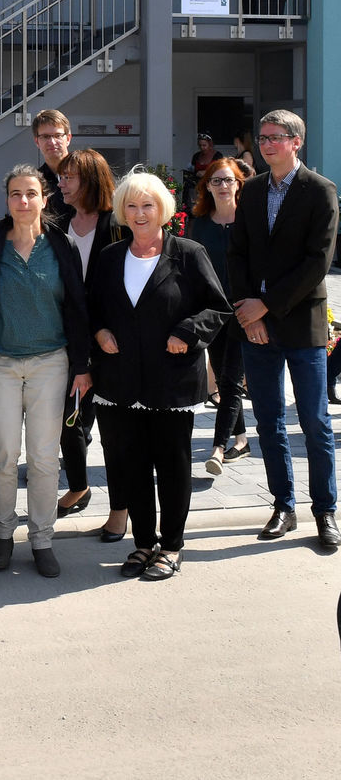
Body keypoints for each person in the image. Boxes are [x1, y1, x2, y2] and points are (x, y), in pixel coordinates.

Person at [89, 170, 230, 581]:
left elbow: (218, 309)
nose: (139, 213)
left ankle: (171, 546)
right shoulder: (110, 257)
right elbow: (92, 307)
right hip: (120, 382)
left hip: (171, 381)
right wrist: (99, 332)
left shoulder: (188, 253)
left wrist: (188, 332)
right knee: (130, 464)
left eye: (147, 205)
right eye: (131, 206)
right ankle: (142, 544)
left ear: (163, 209)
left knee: (171, 464)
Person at [0, 165, 91, 578]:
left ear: (44, 199)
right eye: (15, 193)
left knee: (42, 457)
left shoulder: (60, 245)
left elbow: (77, 306)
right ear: (7, 200)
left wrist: (81, 365)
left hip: (50, 363)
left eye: (31, 194)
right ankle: (3, 533)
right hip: (0, 362)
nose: (23, 201)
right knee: (2, 454)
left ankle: (41, 538)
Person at [228, 110, 340, 549]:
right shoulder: (251, 190)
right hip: (255, 325)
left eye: (276, 137)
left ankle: (325, 511)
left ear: (297, 142)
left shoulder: (321, 191)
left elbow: (318, 263)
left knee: (314, 421)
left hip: (301, 323)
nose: (266, 143)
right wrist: (247, 314)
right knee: (268, 421)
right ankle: (283, 506)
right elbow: (236, 254)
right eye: (262, 137)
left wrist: (266, 307)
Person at [53, 149, 126, 537]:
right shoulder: (57, 219)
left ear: (91, 180)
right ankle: (79, 486)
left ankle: (121, 509)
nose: (61, 183)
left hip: (109, 340)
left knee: (112, 428)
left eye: (69, 177)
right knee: (68, 420)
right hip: (66, 338)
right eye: (61, 177)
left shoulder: (117, 223)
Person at [187, 160, 252, 476]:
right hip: (212, 313)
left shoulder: (251, 220)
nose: (223, 186)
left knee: (229, 379)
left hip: (244, 311)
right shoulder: (199, 223)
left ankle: (216, 447)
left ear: (239, 183)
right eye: (216, 181)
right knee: (225, 377)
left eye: (228, 180)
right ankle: (241, 440)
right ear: (207, 187)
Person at [32, 108, 74, 221]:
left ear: (68, 138)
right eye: (45, 136)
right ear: (37, 141)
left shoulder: (86, 172)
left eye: (58, 135)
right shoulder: (35, 181)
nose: (52, 142)